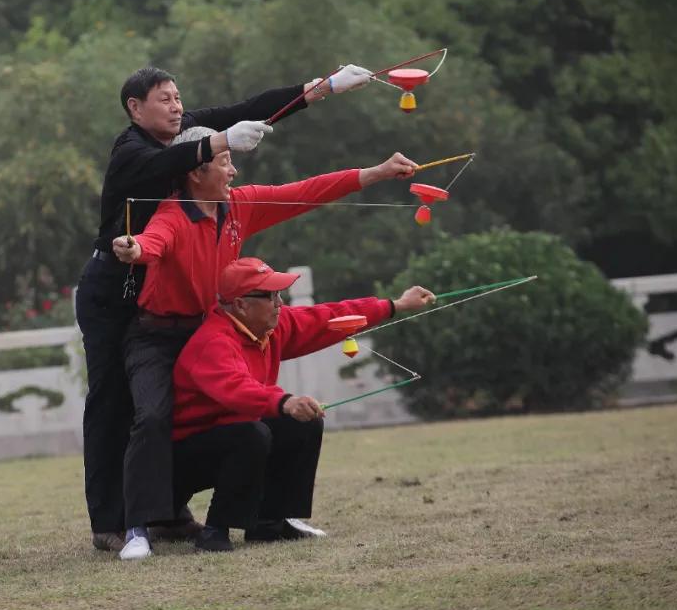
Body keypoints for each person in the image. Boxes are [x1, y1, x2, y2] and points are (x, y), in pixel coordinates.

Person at [78, 64, 375, 552]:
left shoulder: (195, 145)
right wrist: (217, 145)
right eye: (163, 99)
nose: (176, 106)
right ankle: (114, 524)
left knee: (195, 405)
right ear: (135, 108)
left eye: (178, 97)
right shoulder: (129, 151)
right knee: (121, 407)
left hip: (169, 295)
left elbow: (247, 110)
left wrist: (323, 88)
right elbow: (166, 175)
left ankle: (179, 515)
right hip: (115, 293)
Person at [108, 125, 418, 559]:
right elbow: (154, 241)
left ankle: (272, 519)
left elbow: (305, 193)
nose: (234, 171)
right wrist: (135, 249)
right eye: (225, 161)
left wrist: (376, 173)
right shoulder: (173, 214)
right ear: (196, 172)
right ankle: (137, 527)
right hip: (158, 334)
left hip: (207, 322)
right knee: (153, 417)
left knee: (259, 426)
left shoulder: (240, 208)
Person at [170, 257, 435, 552]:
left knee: (299, 424)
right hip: (182, 458)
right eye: (270, 296)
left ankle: (269, 524)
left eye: (279, 294)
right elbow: (236, 390)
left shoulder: (269, 328)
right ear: (241, 305)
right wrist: (283, 401)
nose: (279, 303)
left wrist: (394, 305)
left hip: (234, 437)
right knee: (251, 433)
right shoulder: (213, 341)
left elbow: (328, 317)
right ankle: (215, 532)